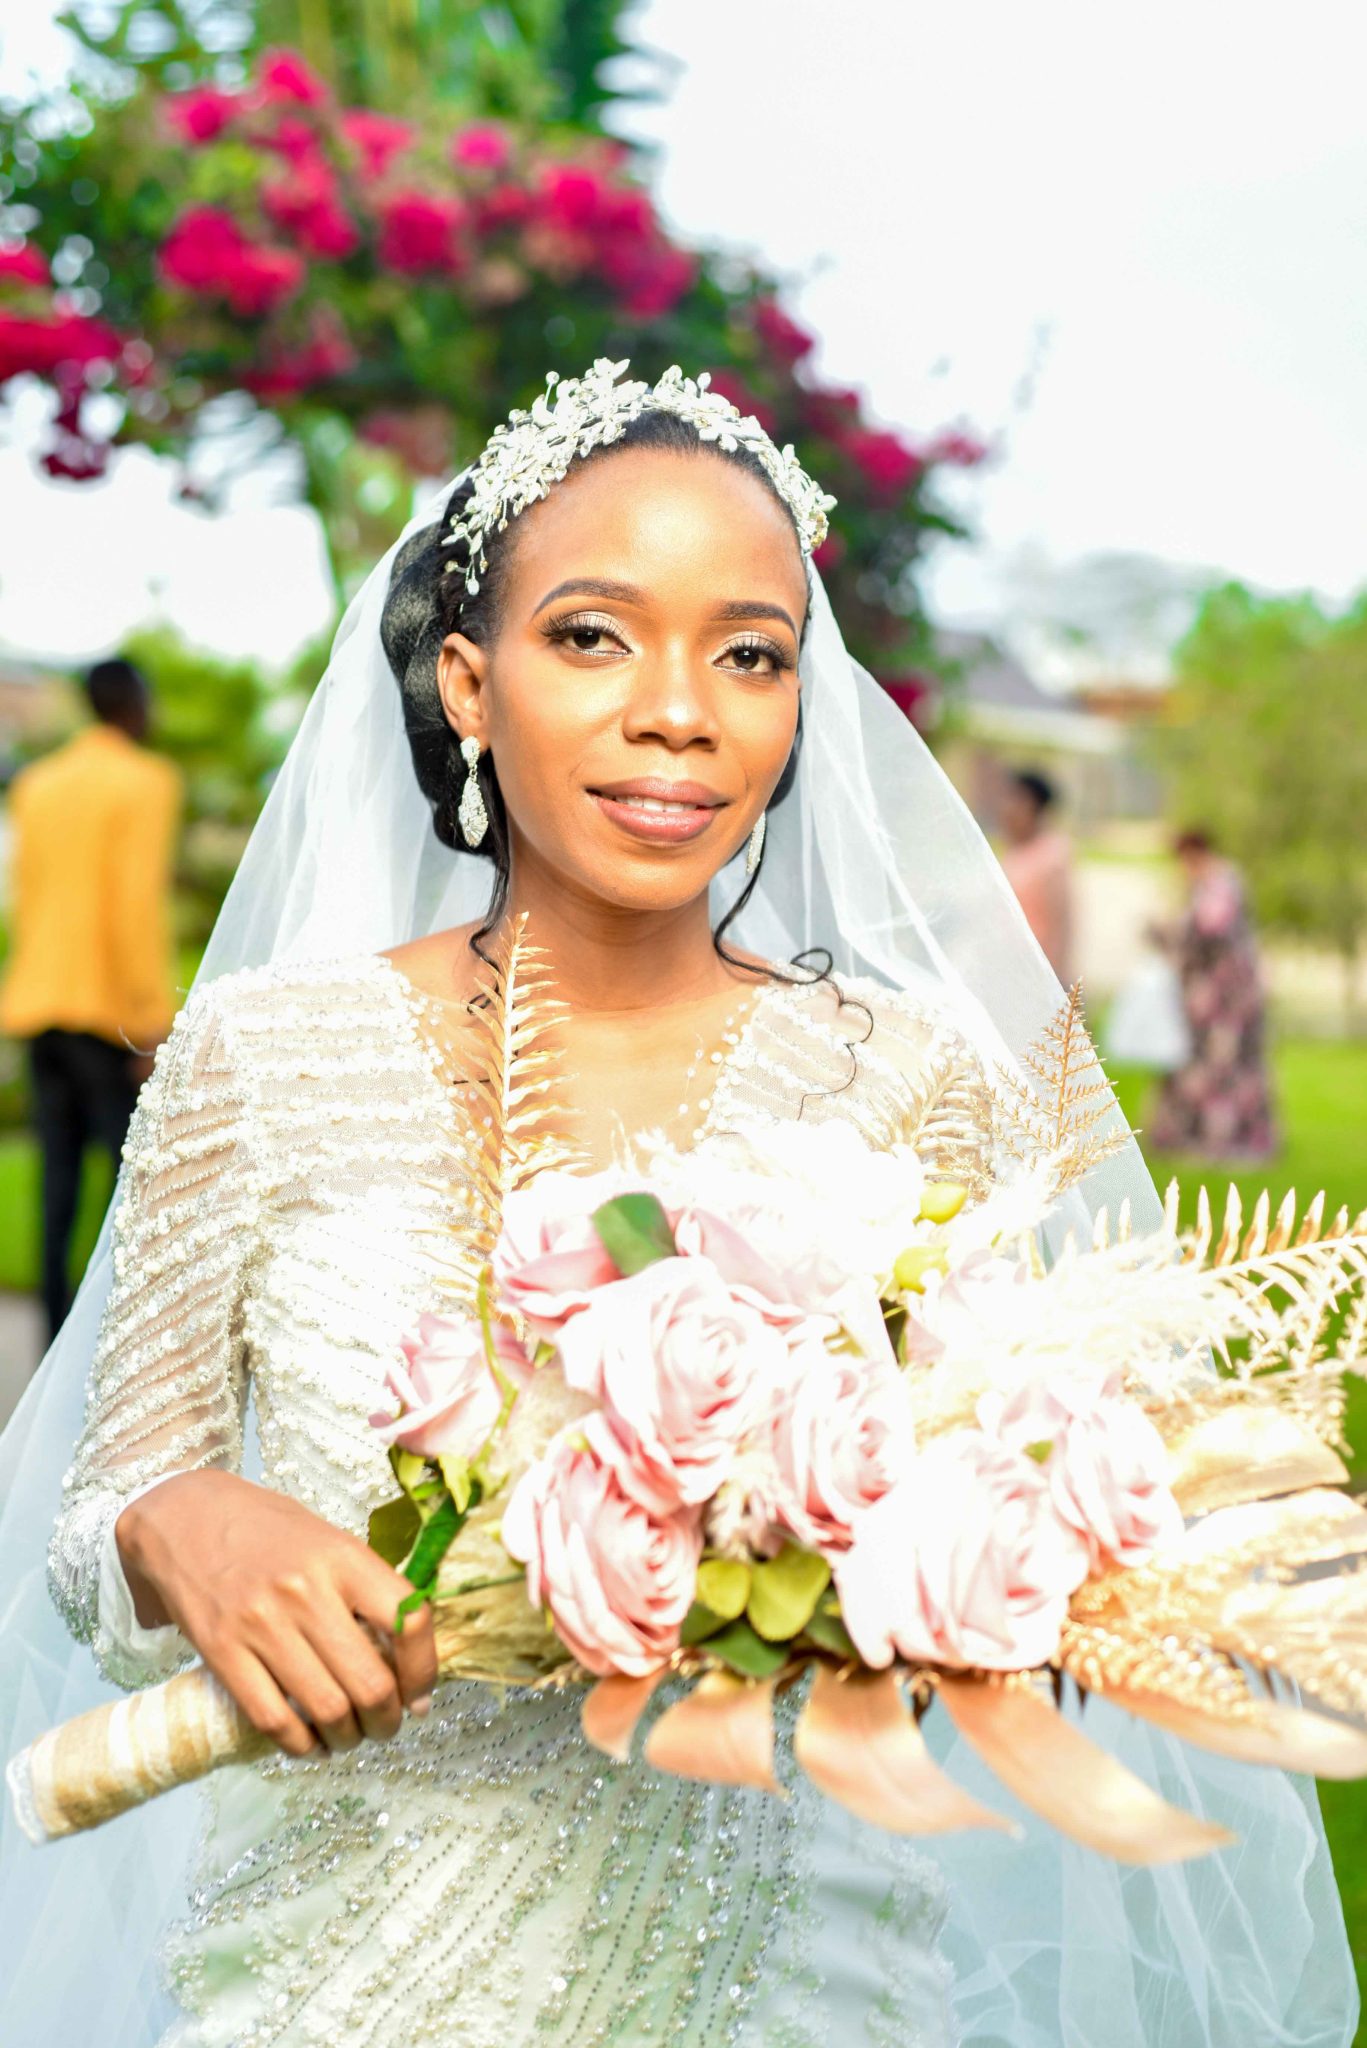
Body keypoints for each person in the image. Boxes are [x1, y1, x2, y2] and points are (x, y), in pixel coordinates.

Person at [0, 365, 1353, 2046]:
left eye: (749, 653)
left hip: (791, 1976)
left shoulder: (909, 1084)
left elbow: (1040, 1538)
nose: (677, 711)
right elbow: (102, 1508)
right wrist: (168, 1521)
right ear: (467, 680)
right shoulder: (257, 1060)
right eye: (592, 635)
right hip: (335, 1973)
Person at [0, 656, 182, 1341]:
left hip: (39, 1003)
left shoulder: (38, 783)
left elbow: (28, 897)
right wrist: (150, 1022)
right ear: (133, 703)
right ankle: (106, 1348)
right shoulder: (145, 781)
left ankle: (51, 1343)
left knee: (58, 1187)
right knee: (128, 1194)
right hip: (107, 1015)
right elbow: (134, 909)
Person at [1149, 827, 1276, 1160]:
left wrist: (1167, 931)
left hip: (1227, 998)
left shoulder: (1221, 882)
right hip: (1210, 998)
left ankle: (1223, 1138)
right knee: (1200, 1063)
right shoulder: (1206, 885)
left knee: (1225, 1066)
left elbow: (1210, 929)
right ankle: (1191, 1136)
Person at [996, 767, 1074, 983]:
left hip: (1037, 970)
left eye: (1016, 801)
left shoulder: (1052, 855)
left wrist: (1056, 977)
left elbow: (1062, 924)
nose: (1007, 809)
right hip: (1008, 966)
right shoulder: (1014, 850)